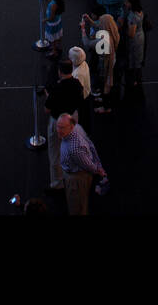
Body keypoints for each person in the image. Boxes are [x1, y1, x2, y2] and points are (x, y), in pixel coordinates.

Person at [44, 62, 84, 190]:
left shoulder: (57, 88)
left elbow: (47, 109)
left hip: (58, 122)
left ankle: (57, 183)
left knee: (55, 153)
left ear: (60, 72)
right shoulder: (77, 84)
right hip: (72, 120)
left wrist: (48, 96)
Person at [56, 114, 106, 215]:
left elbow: (88, 165)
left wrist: (97, 169)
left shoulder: (75, 149)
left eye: (62, 127)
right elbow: (90, 144)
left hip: (76, 181)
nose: (58, 130)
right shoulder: (76, 129)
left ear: (71, 127)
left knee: (77, 207)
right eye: (58, 126)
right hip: (72, 175)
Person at [122, 0, 147, 88]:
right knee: (138, 58)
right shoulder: (140, 11)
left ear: (131, 3)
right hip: (141, 36)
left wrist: (123, 30)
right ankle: (137, 78)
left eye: (127, 2)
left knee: (133, 60)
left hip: (134, 40)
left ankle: (133, 80)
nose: (125, 3)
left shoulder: (132, 16)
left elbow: (131, 33)